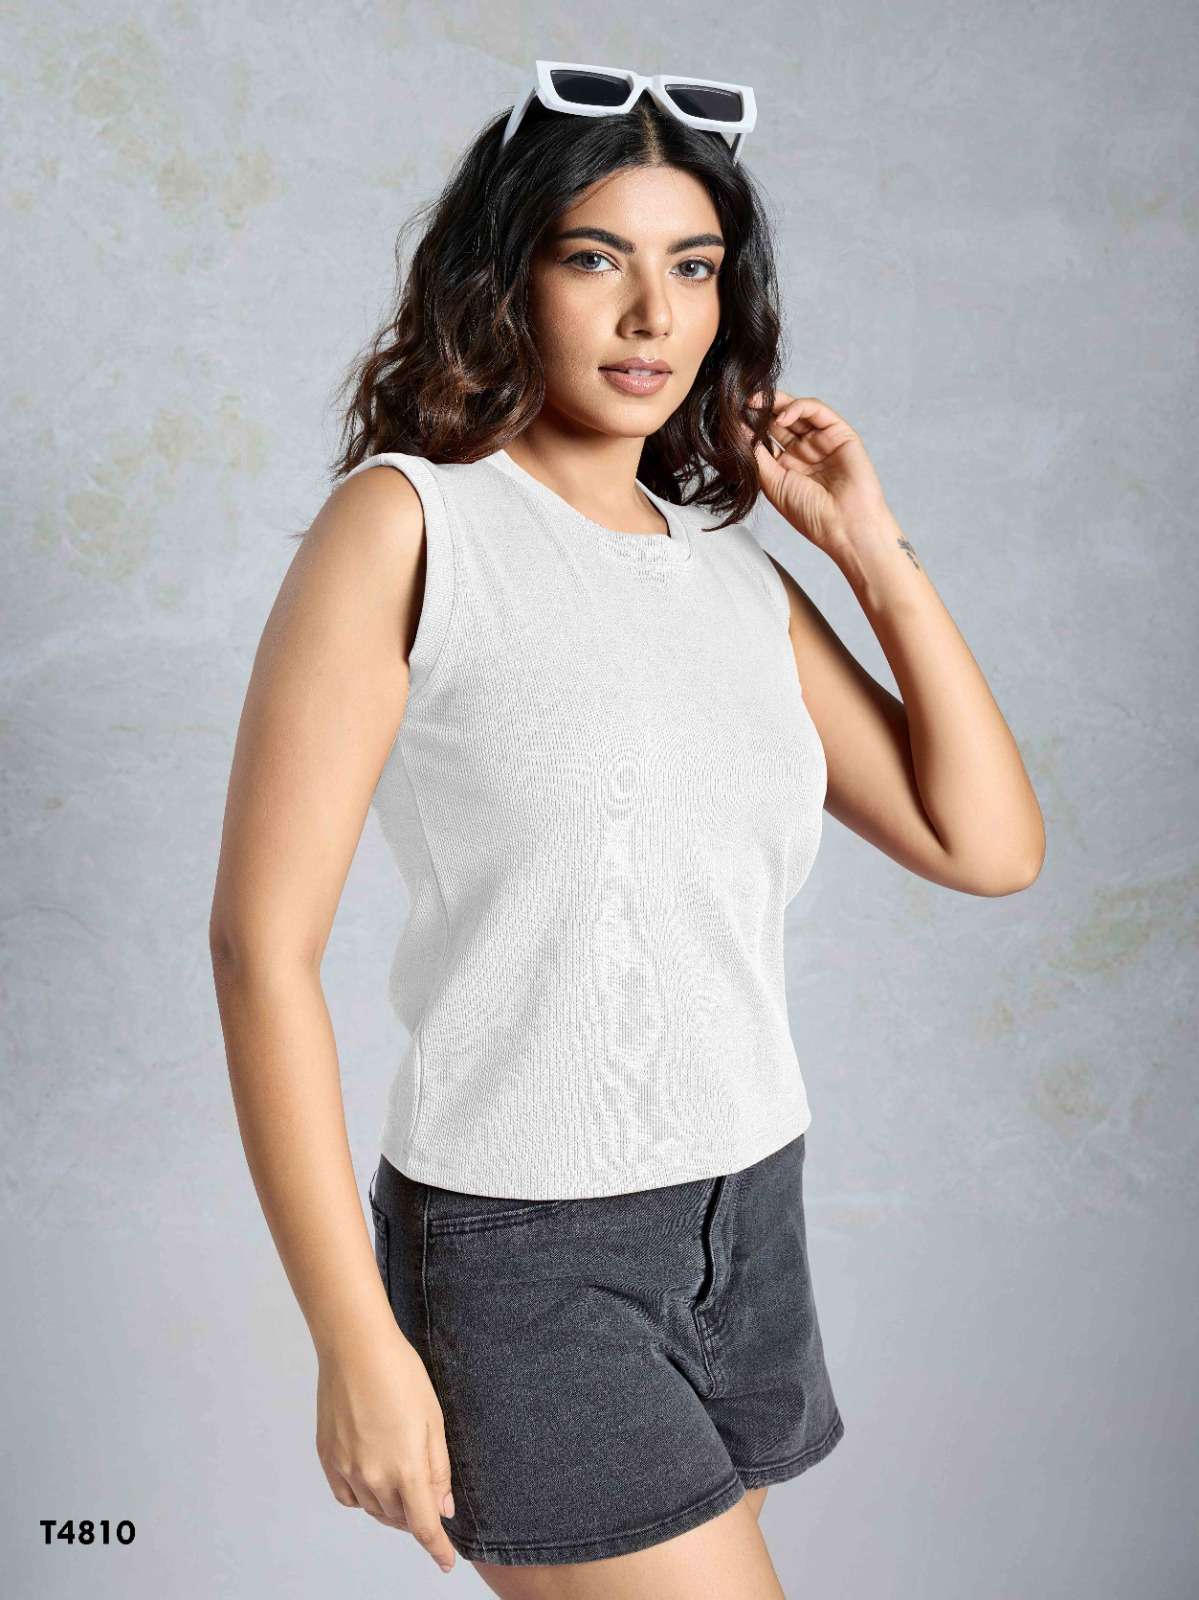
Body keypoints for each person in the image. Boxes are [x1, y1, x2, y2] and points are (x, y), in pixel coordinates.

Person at [208, 59, 1045, 1600]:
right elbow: (261, 951)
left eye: (695, 267)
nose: (654, 315)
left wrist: (872, 553)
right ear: (504, 275)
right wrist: (353, 1337)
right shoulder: (411, 526)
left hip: (752, 1218)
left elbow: (987, 845)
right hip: (530, 1256)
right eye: (597, 258)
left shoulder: (732, 573)